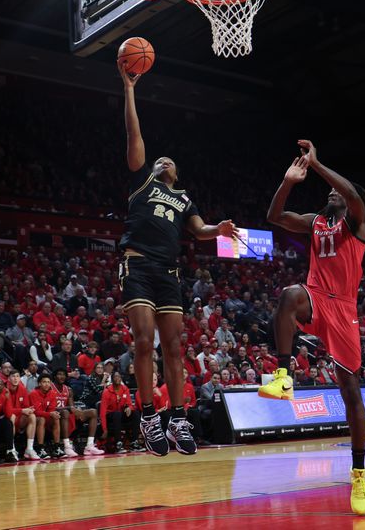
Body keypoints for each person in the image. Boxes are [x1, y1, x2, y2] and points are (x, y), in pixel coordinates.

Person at [117, 60, 237, 457]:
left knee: (173, 345)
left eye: (168, 161)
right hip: (138, 263)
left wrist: (216, 231)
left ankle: (179, 417)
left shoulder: (184, 198)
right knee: (143, 341)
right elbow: (135, 135)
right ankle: (149, 416)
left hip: (168, 271)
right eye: (158, 159)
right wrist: (130, 89)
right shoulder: (142, 179)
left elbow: (198, 230)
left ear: (177, 172)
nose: (162, 161)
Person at [265, 140, 365, 515]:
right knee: (288, 295)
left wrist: (317, 162)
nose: (330, 190)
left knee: (351, 393)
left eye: (337, 190)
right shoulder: (316, 222)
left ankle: (358, 473)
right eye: (327, 188)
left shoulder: (357, 224)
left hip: (343, 309)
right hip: (314, 297)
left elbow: (349, 191)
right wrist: (288, 181)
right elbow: (274, 217)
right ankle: (283, 374)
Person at [52, 368, 104, 457]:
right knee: (65, 412)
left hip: (67, 414)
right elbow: (51, 408)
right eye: (59, 374)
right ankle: (67, 446)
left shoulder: (68, 389)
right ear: (55, 376)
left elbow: (72, 406)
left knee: (93, 412)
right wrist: (71, 409)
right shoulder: (50, 388)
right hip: (55, 416)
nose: (62, 377)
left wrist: (78, 411)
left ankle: (89, 445)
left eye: (63, 374)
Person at [100, 371, 141, 453]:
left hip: (121, 415)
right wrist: (104, 429)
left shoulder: (125, 389)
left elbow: (130, 404)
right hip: (111, 416)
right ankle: (118, 443)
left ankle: (134, 442)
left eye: (119, 376)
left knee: (136, 413)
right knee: (117, 414)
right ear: (112, 379)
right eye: (115, 377)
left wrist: (129, 408)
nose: (117, 378)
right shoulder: (107, 392)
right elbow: (103, 412)